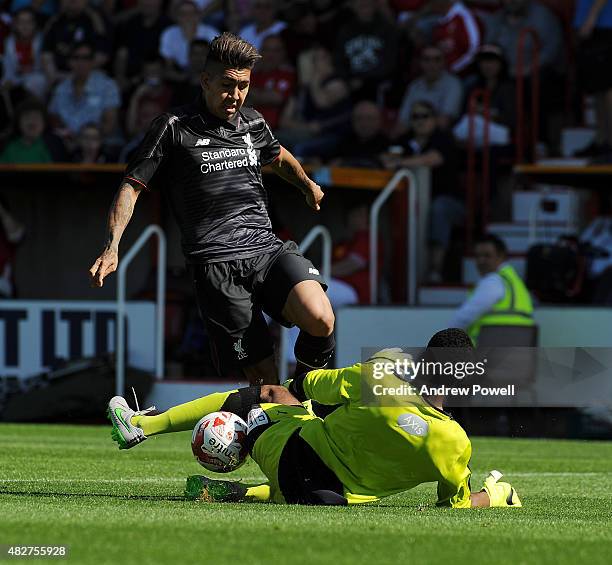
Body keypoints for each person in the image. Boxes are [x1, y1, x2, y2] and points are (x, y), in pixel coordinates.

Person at [89, 33, 334, 386]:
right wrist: (113, 246)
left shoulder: (253, 122)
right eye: (227, 85)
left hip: (266, 249)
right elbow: (132, 185)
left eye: (244, 86)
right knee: (265, 385)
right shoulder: (173, 127)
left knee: (320, 317)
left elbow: (278, 157)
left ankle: (307, 394)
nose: (235, 96)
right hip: (216, 266)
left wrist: (306, 185)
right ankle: (281, 419)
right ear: (205, 80)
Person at [107, 328, 522, 508]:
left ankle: (142, 426)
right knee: (317, 486)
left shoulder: (376, 379)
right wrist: (498, 495)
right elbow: (457, 505)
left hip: (290, 458)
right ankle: (243, 494)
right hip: (331, 500)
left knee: (270, 392)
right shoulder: (455, 443)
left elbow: (308, 385)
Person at [382, 100, 461, 283]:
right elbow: (386, 157)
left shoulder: (444, 138)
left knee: (438, 209)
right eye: (415, 116)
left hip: (450, 201)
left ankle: (435, 269)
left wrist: (400, 162)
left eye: (425, 116)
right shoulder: (405, 140)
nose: (420, 121)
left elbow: (432, 159)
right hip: (411, 201)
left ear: (434, 119)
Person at [449, 233, 534, 344]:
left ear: (501, 256)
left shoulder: (493, 281)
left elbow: (463, 317)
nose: (481, 261)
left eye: (487, 256)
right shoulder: (515, 283)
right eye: (477, 256)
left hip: (489, 353)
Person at [48, 41, 120, 142]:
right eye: (76, 57)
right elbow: (54, 118)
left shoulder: (108, 86)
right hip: (66, 143)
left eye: (86, 58)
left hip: (96, 144)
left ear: (93, 61)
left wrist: (86, 141)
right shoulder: (61, 88)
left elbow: (109, 124)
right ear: (69, 61)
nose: (81, 62)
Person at [333, 0, 399, 101]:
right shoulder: (345, 31)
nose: (363, 4)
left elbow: (390, 61)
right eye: (359, 2)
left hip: (379, 83)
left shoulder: (387, 29)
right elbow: (339, 61)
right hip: (353, 84)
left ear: (375, 4)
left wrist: (364, 80)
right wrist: (348, 80)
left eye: (367, 2)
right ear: (352, 6)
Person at [395, 44, 463, 136]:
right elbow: (402, 121)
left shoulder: (453, 84)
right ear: (420, 62)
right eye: (427, 59)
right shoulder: (414, 85)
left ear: (444, 62)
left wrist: (416, 124)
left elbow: (444, 122)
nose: (432, 64)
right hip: (414, 136)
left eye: (437, 59)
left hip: (439, 138)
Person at [574, 0, 612, 158]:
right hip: (595, 29)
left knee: (609, 89)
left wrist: (591, 18)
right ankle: (602, 141)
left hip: (605, 28)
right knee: (598, 89)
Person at [113, 0, 172, 93]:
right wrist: (120, 78)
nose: (147, 3)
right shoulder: (130, 24)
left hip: (159, 78)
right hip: (132, 80)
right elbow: (121, 54)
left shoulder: (168, 26)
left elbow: (169, 60)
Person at [248, 35, 296, 130]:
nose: (271, 54)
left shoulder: (288, 74)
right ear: (260, 52)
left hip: (275, 131)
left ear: (283, 53)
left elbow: (276, 98)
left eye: (276, 50)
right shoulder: (252, 73)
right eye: (267, 50)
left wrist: (249, 93)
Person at [159, 0, 218, 76]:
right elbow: (167, 64)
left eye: (192, 13)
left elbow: (218, 62)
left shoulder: (211, 33)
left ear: (198, 16)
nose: (188, 17)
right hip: (180, 74)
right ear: (177, 17)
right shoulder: (169, 33)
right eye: (183, 14)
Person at [1, 7, 47, 99]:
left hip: (37, 78)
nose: (25, 26)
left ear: (35, 24)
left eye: (29, 22)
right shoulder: (9, 43)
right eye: (21, 22)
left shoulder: (43, 41)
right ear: (15, 25)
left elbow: (44, 68)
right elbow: (8, 70)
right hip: (15, 79)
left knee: (37, 82)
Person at [331, 100, 389, 169]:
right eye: (359, 118)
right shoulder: (342, 143)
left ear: (379, 120)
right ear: (352, 121)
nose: (364, 124)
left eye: (369, 118)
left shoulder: (389, 146)